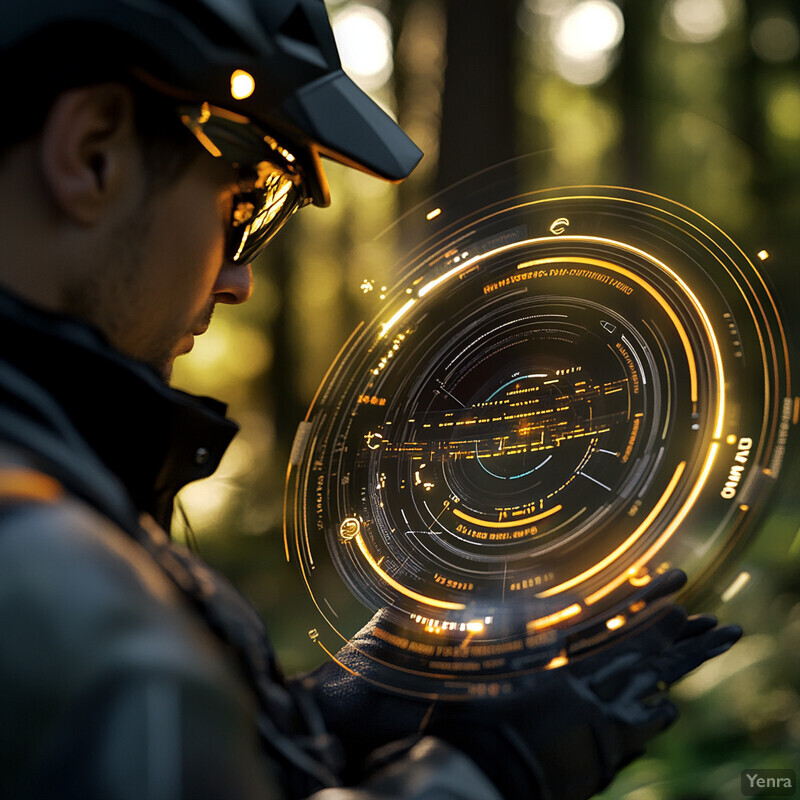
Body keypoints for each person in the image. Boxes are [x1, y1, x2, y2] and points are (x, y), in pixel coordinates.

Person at [0, 1, 741, 798]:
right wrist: (487, 774)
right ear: (93, 152)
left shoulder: (57, 507)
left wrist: (365, 696)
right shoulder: (44, 577)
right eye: (245, 206)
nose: (239, 279)